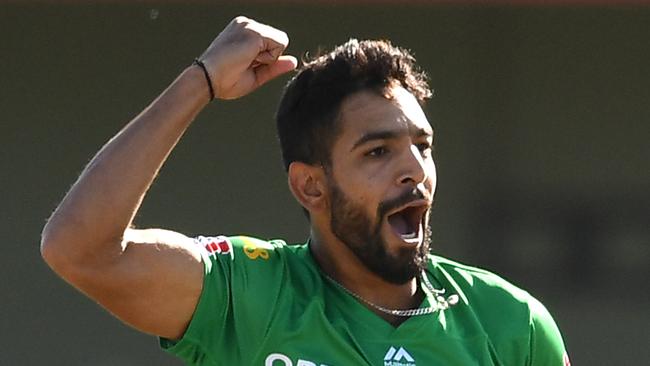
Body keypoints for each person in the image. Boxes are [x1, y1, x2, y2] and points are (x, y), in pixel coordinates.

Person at [41, 16, 570, 366]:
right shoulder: (252, 294)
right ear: (310, 185)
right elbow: (79, 251)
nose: (415, 170)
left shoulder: (510, 324)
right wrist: (199, 82)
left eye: (423, 146)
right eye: (378, 152)